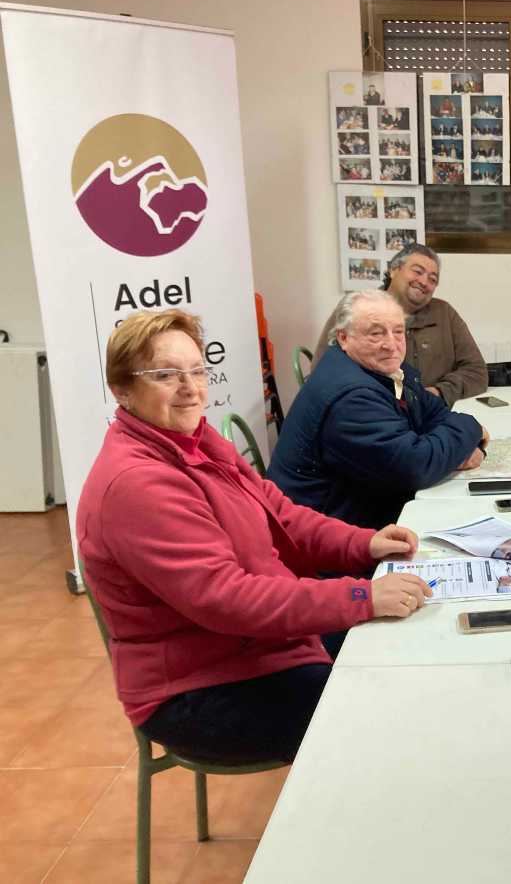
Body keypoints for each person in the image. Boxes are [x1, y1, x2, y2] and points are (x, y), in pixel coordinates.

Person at [76, 309, 432, 763]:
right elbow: (227, 599)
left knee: (403, 661)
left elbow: (280, 514)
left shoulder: (197, 441)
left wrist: (363, 543)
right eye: (166, 375)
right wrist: (362, 597)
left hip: (262, 646)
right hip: (200, 688)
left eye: (197, 371)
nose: (190, 388)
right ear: (122, 389)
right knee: (390, 714)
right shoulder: (137, 483)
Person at [270, 290, 486, 530]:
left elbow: (433, 413)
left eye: (398, 331)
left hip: (362, 503)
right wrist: (471, 429)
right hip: (327, 535)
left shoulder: (381, 368)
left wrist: (450, 450)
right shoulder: (351, 397)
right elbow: (415, 467)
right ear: (343, 338)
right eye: (376, 333)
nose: (391, 345)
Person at [314, 243, 486, 407]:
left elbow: (476, 371)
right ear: (393, 270)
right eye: (418, 271)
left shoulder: (445, 313)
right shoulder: (357, 309)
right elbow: (323, 372)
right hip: (372, 412)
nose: (424, 282)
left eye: (432, 279)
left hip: (432, 412)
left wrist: (438, 392)